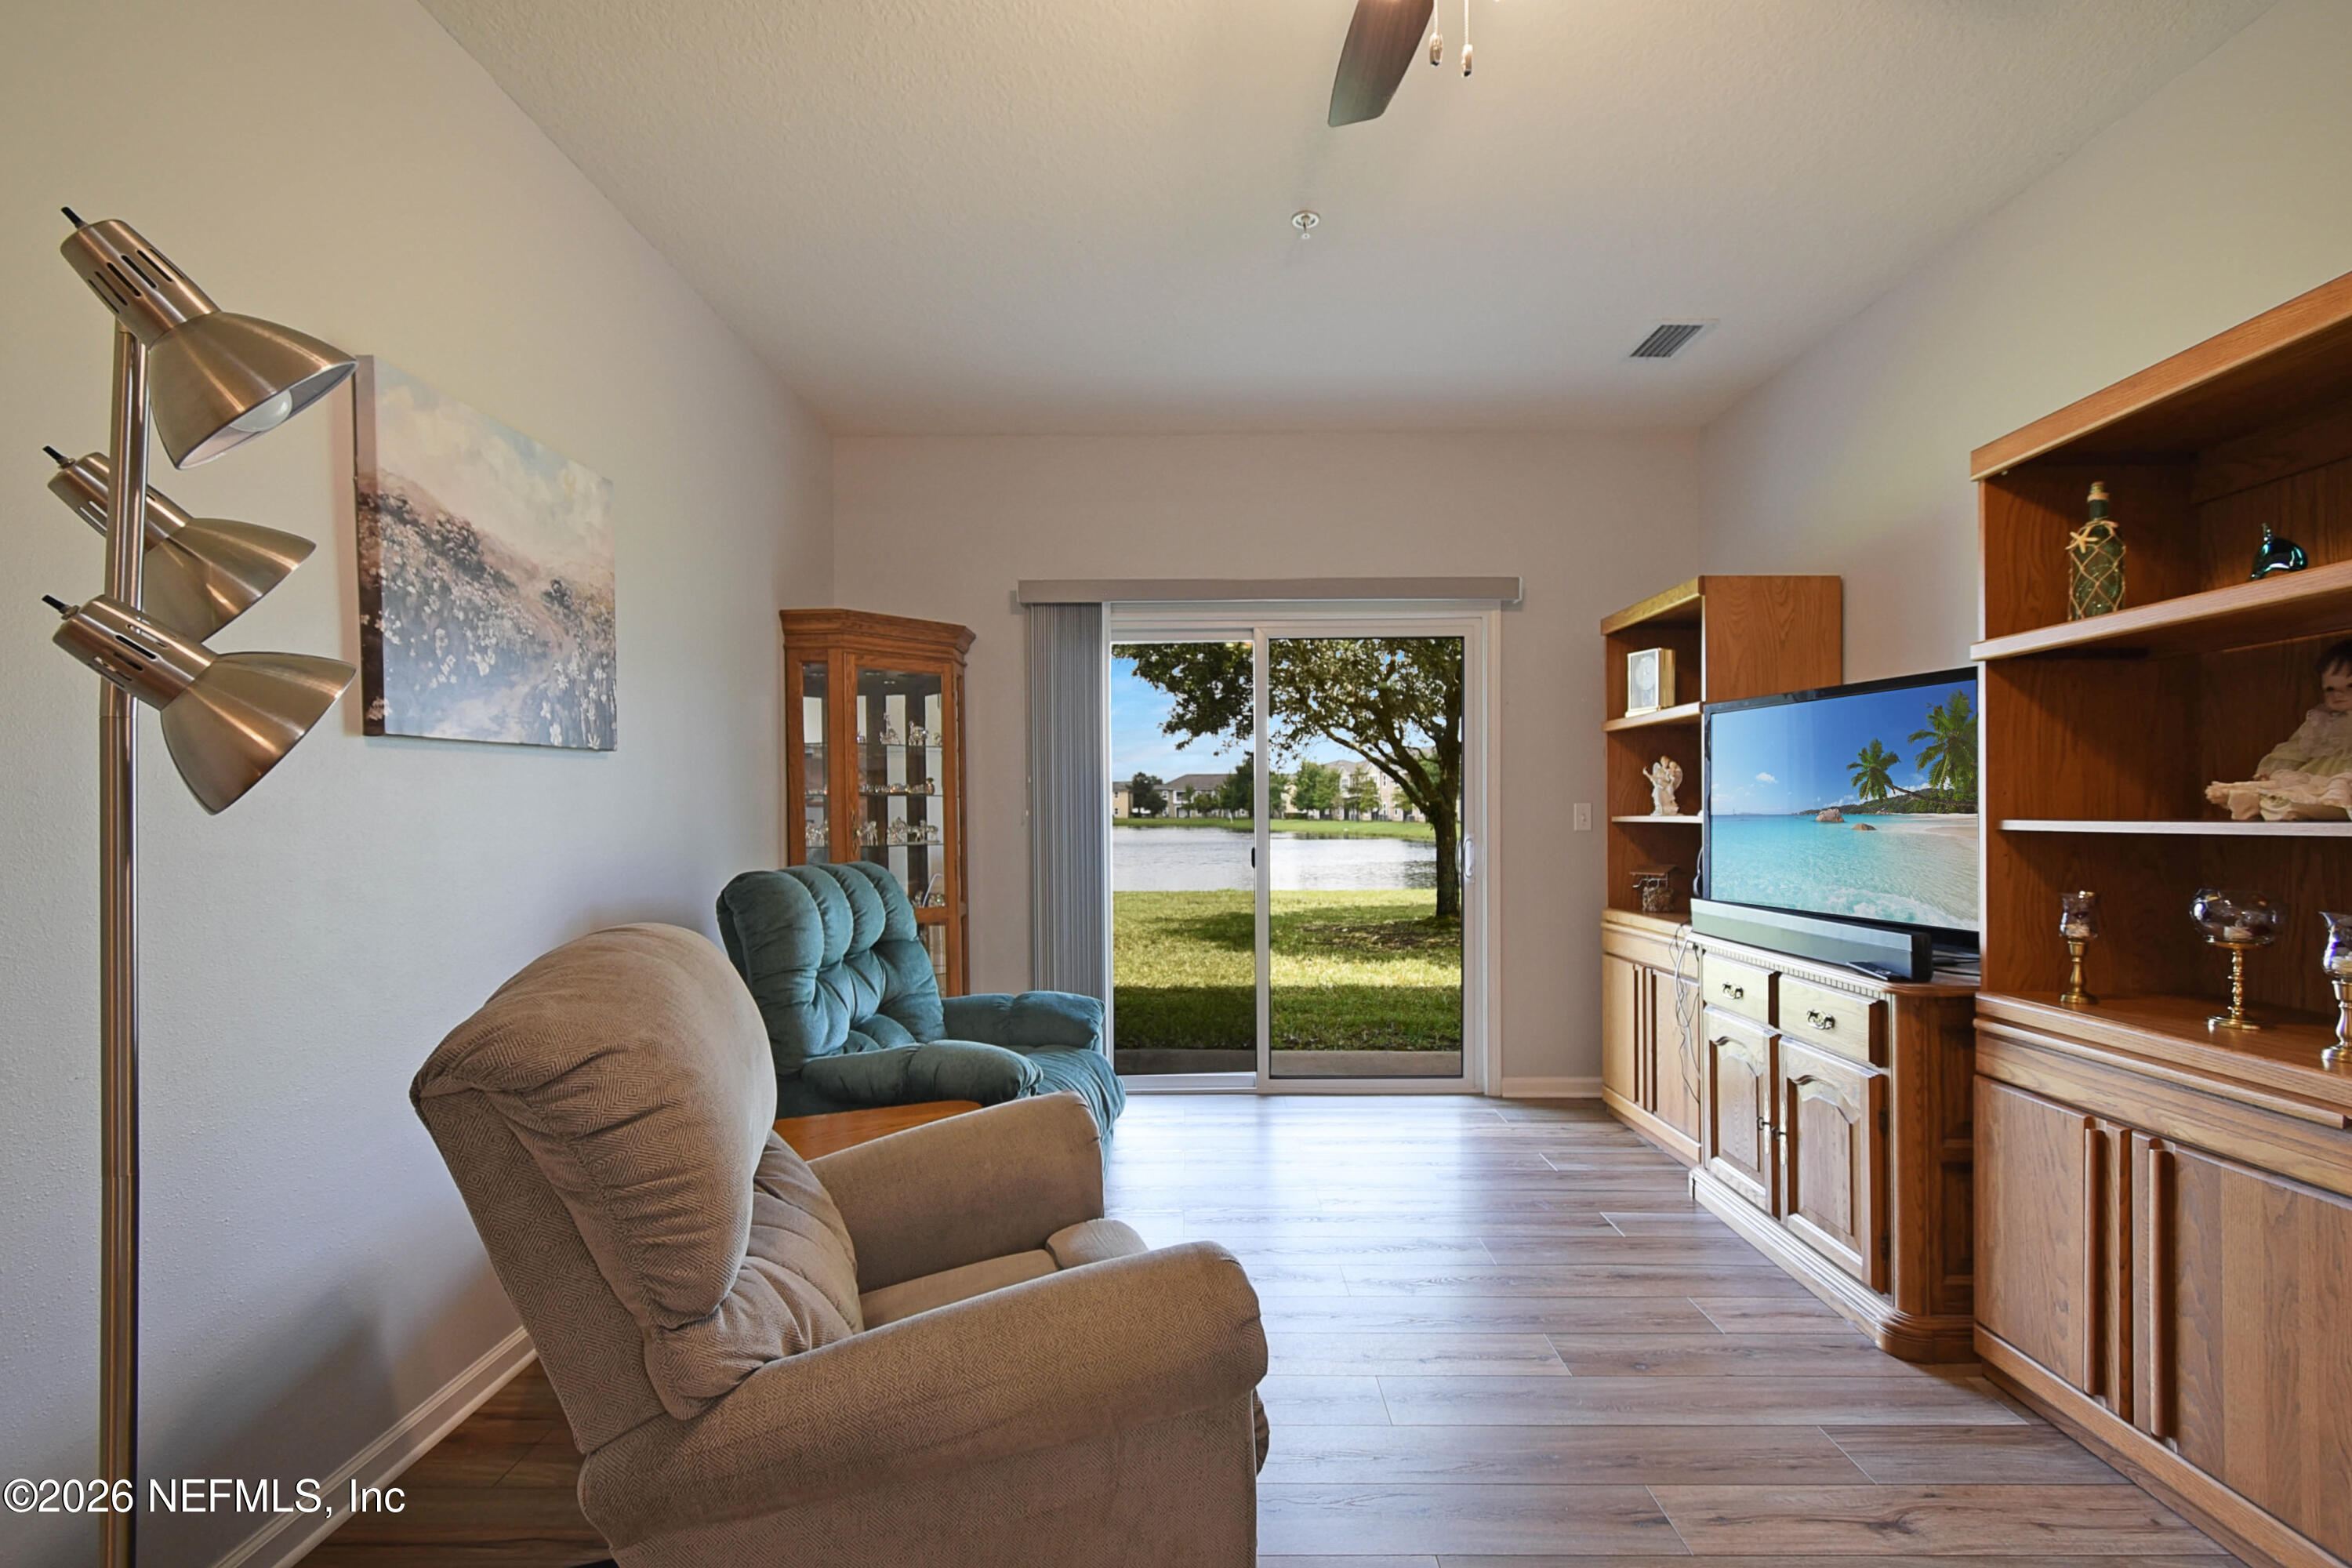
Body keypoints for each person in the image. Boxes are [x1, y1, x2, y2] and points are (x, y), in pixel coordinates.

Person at [2207, 640, 2352, 821]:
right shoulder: (2322, 721)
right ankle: (2254, 802)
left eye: (2350, 686)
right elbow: (2295, 749)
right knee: (2290, 795)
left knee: (2336, 797)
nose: (2338, 695)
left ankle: (2294, 809)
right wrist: (2271, 771)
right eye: (2329, 689)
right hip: (2320, 777)